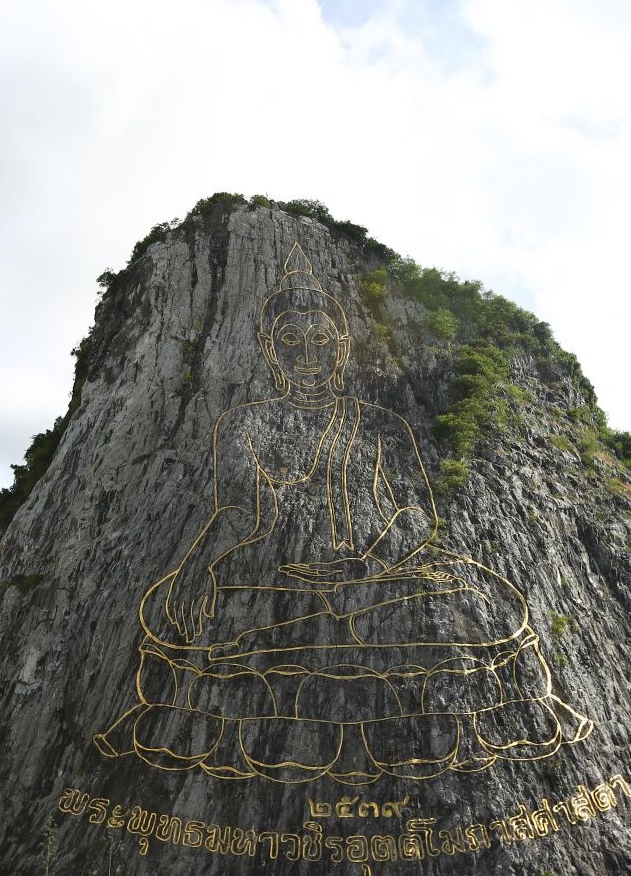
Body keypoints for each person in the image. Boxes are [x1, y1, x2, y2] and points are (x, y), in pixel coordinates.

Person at [95, 245, 593, 786]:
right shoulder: (246, 423)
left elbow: (414, 513)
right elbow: (237, 512)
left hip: (382, 576)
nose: (306, 356)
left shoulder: (379, 423)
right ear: (269, 349)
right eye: (290, 343)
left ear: (341, 346)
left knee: (477, 602)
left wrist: (365, 567)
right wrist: (196, 567)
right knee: (184, 608)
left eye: (319, 342)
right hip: (279, 577)